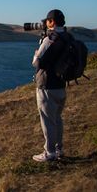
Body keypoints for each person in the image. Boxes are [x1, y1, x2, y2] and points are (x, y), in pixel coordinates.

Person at [31, 9, 67, 162]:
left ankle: (49, 152)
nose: (45, 23)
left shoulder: (50, 38)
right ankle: (59, 149)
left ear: (51, 22)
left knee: (47, 120)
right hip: (61, 85)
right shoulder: (67, 36)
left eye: (47, 21)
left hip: (47, 86)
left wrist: (36, 52)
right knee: (57, 118)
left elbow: (37, 63)